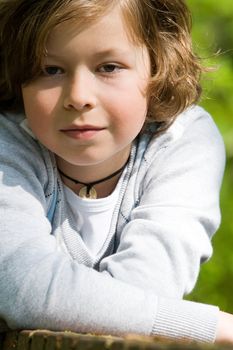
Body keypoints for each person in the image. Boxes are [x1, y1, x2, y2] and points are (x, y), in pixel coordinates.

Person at [0, 0, 233, 343]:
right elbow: (23, 286)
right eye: (51, 70)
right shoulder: (8, 146)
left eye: (108, 67)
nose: (79, 97)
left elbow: (150, 286)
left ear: (158, 67)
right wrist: (210, 326)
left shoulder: (184, 141)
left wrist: (61, 302)